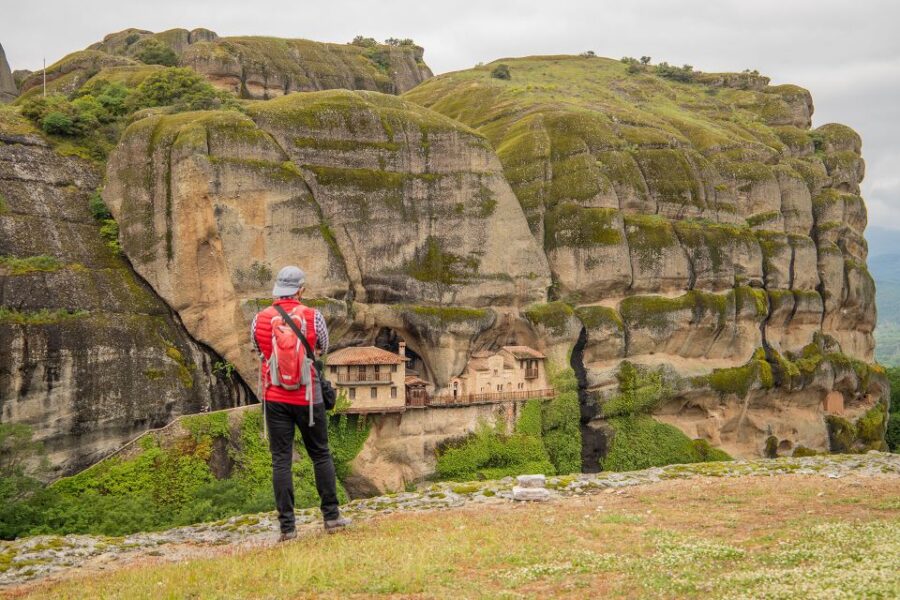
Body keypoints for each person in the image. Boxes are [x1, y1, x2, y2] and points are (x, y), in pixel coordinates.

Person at [251, 265, 351, 540]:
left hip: (275, 397)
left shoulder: (260, 318)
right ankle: (331, 517)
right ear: (300, 290)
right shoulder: (313, 316)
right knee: (320, 453)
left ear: (277, 290)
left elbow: (258, 349)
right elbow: (324, 347)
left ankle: (287, 528)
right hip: (309, 397)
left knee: (281, 461)